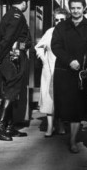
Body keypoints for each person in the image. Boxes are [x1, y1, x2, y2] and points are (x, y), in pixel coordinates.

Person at [51, 0, 87, 154]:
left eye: (79, 8)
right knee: (65, 106)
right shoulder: (61, 27)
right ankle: (62, 126)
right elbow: (56, 46)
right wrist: (70, 61)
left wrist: (82, 63)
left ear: (84, 8)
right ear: (70, 9)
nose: (76, 11)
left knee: (77, 109)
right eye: (73, 8)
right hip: (64, 72)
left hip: (83, 74)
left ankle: (73, 140)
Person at [0, 0, 31, 141]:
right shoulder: (17, 16)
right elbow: (8, 39)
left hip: (9, 57)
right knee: (11, 90)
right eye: (26, 2)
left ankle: (8, 127)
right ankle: (0, 127)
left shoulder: (9, 14)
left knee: (11, 90)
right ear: (24, 2)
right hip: (13, 57)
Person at [35, 8, 68, 137]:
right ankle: (50, 127)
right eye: (57, 20)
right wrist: (43, 60)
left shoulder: (69, 33)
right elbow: (38, 47)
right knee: (49, 99)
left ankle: (60, 125)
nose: (59, 22)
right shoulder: (49, 32)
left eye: (62, 20)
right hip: (49, 70)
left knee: (62, 99)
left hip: (64, 70)